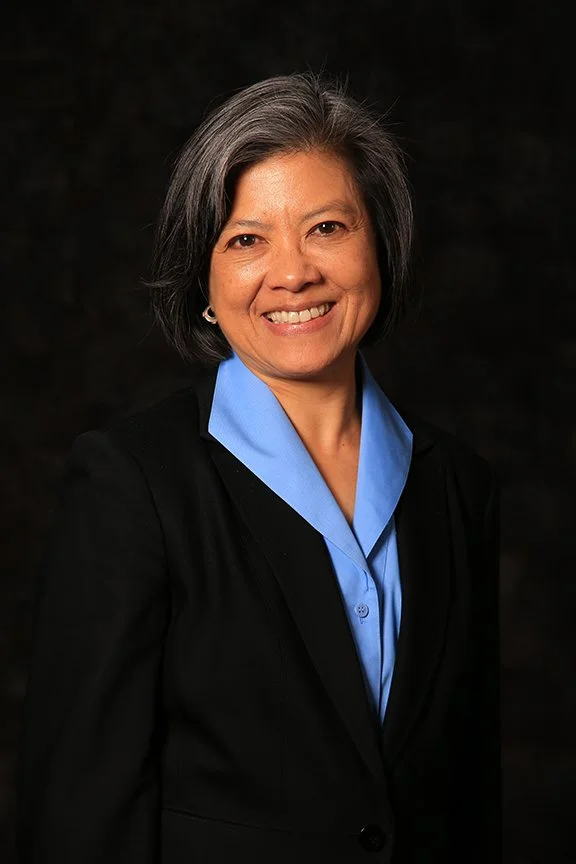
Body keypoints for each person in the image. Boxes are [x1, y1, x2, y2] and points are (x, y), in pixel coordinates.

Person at [15, 72, 501, 863]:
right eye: (247, 239)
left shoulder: (459, 488)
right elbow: (80, 812)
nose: (293, 272)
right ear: (205, 281)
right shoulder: (133, 483)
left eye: (327, 228)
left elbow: (471, 799)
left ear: (380, 242)